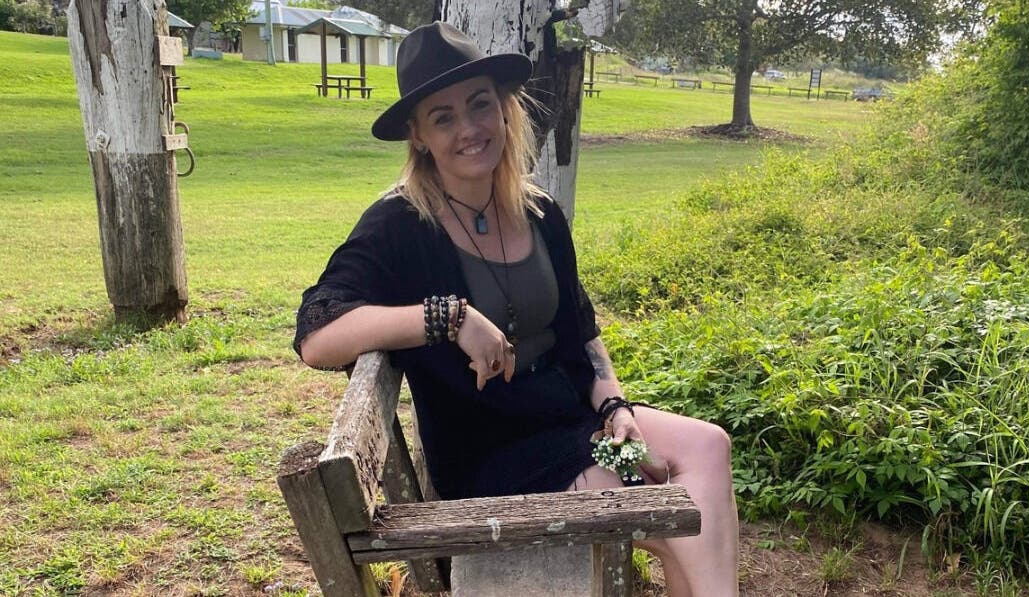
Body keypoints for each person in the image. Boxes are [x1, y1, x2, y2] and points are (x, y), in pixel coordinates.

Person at [293, 22, 738, 597]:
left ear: (505, 110)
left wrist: (615, 407)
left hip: (572, 424)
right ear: (419, 135)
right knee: (663, 508)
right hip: (490, 455)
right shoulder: (400, 224)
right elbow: (316, 333)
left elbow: (580, 333)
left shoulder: (541, 214)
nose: (470, 128)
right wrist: (447, 318)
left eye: (481, 105)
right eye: (443, 116)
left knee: (707, 447)